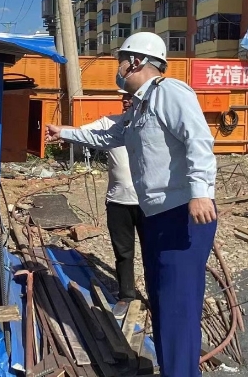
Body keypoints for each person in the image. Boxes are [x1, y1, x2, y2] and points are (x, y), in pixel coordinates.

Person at [46, 32, 217, 377]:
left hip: (181, 213)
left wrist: (201, 191)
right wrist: (65, 132)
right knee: (163, 302)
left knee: (178, 307)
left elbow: (198, 139)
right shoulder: (139, 106)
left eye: (121, 61)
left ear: (136, 61)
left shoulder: (170, 92)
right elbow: (107, 135)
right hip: (156, 215)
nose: (118, 68)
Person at [74, 90, 142, 318]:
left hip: (150, 203)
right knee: (123, 252)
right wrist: (60, 132)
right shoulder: (109, 123)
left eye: (131, 96)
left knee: (154, 253)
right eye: (124, 96)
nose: (126, 100)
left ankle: (159, 296)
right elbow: (82, 133)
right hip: (118, 201)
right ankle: (126, 295)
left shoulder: (153, 125)